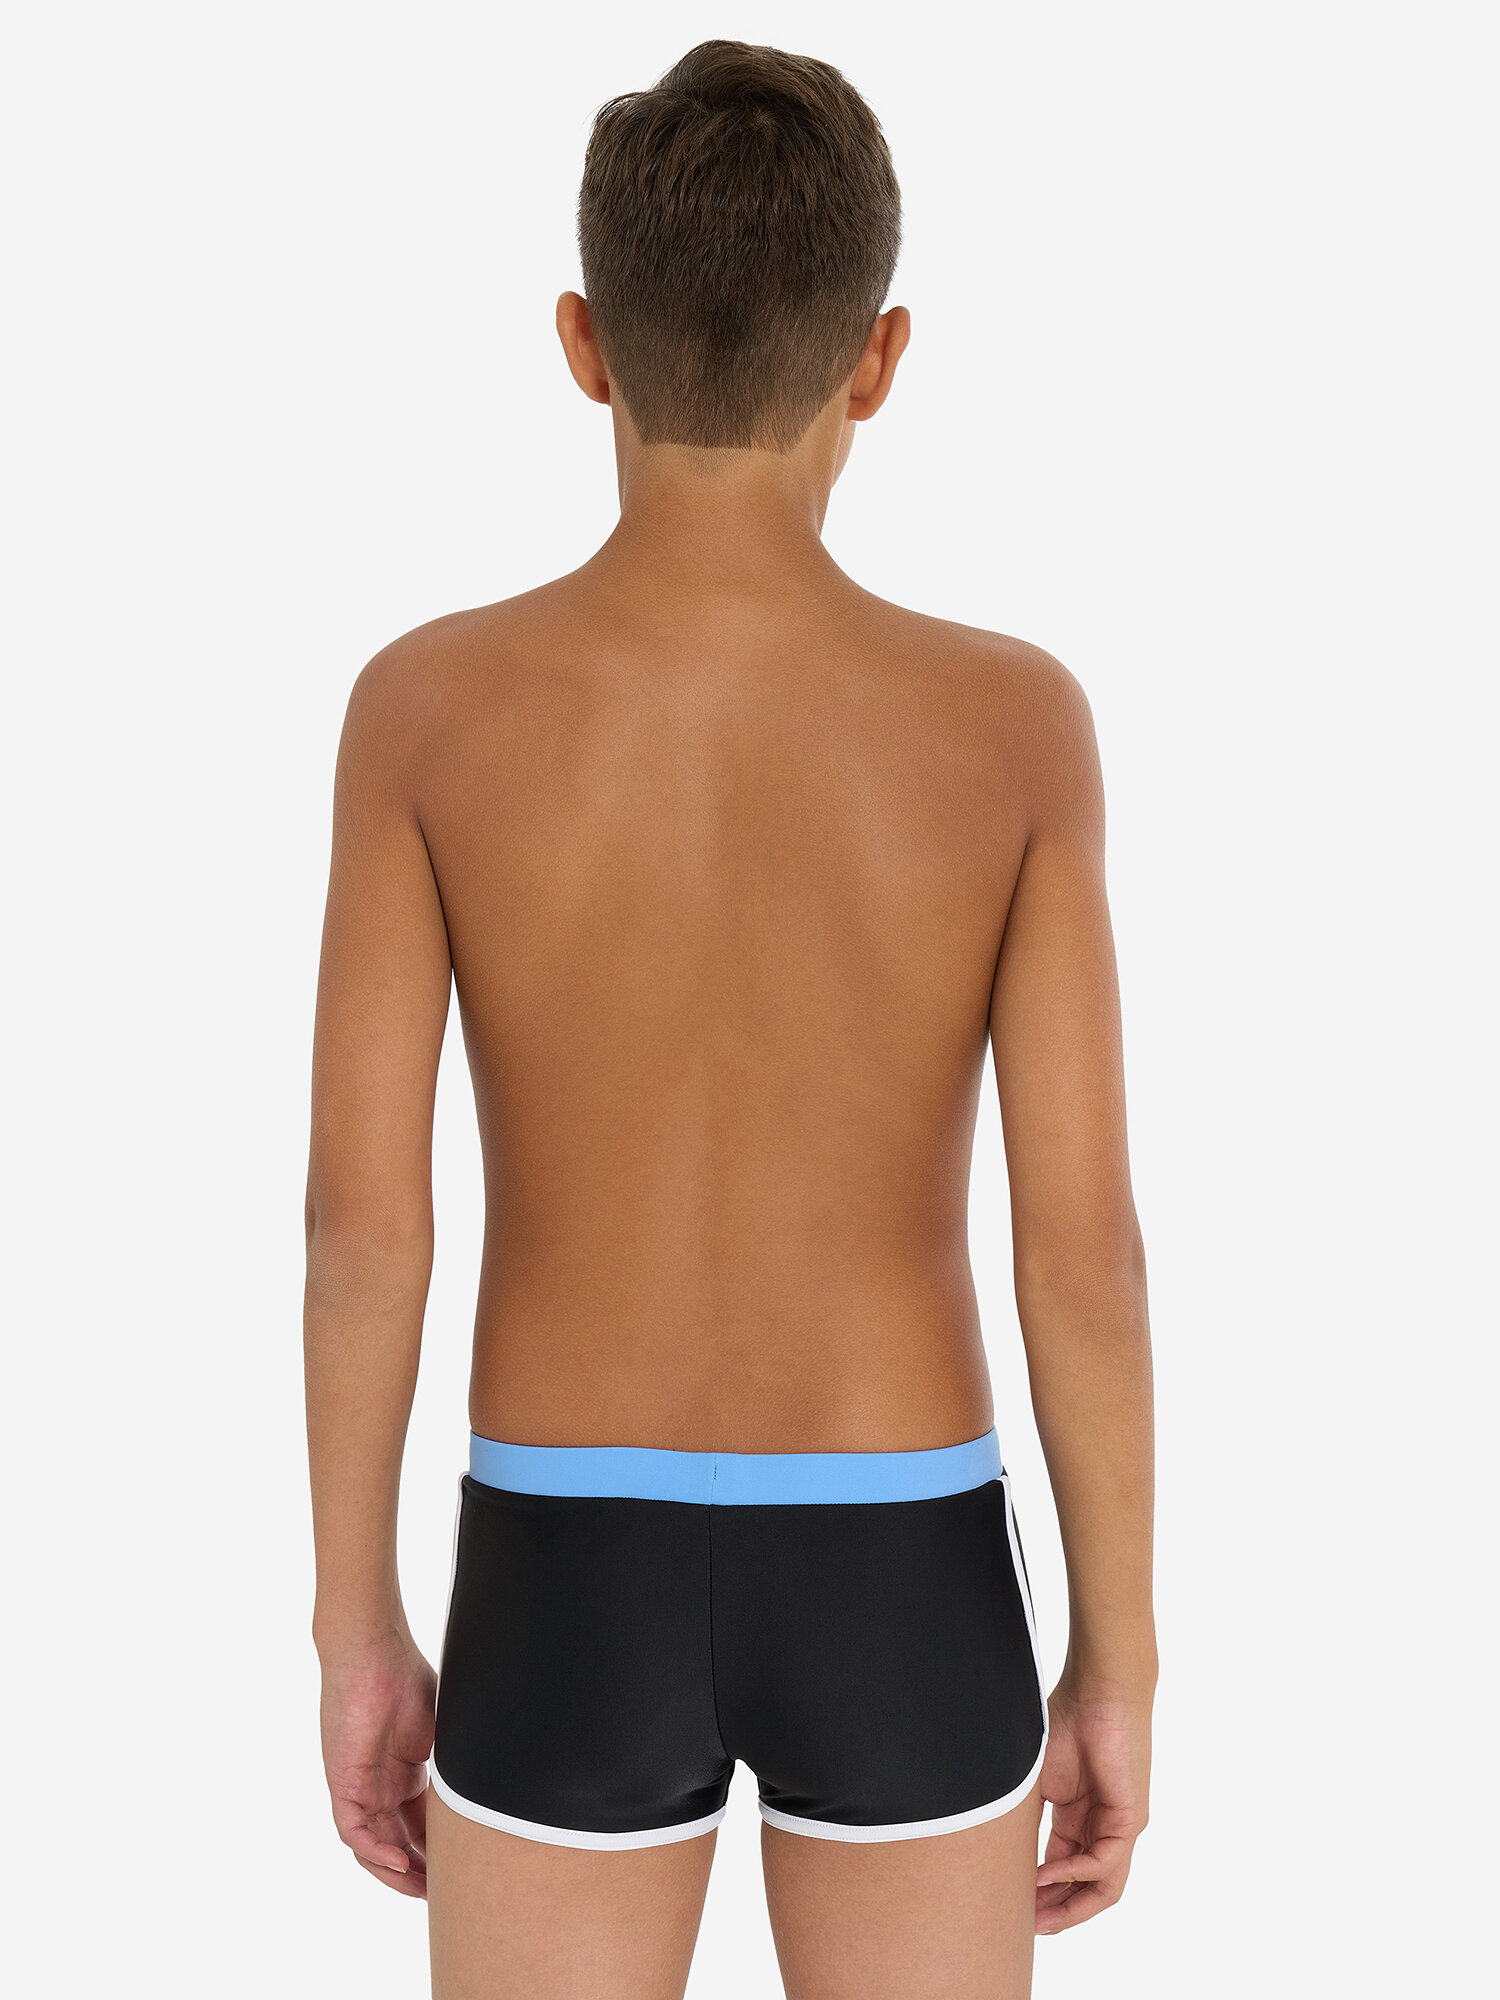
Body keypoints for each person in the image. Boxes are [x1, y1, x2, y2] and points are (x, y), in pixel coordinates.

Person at [304, 38, 1155, 2000]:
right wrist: (1116, 1653)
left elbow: (361, 1223)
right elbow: (1081, 1253)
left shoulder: (427, 709)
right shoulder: (1012, 725)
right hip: (903, 1546)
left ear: (583, 344)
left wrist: (358, 1621)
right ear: (879, 358)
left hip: (560, 1547)